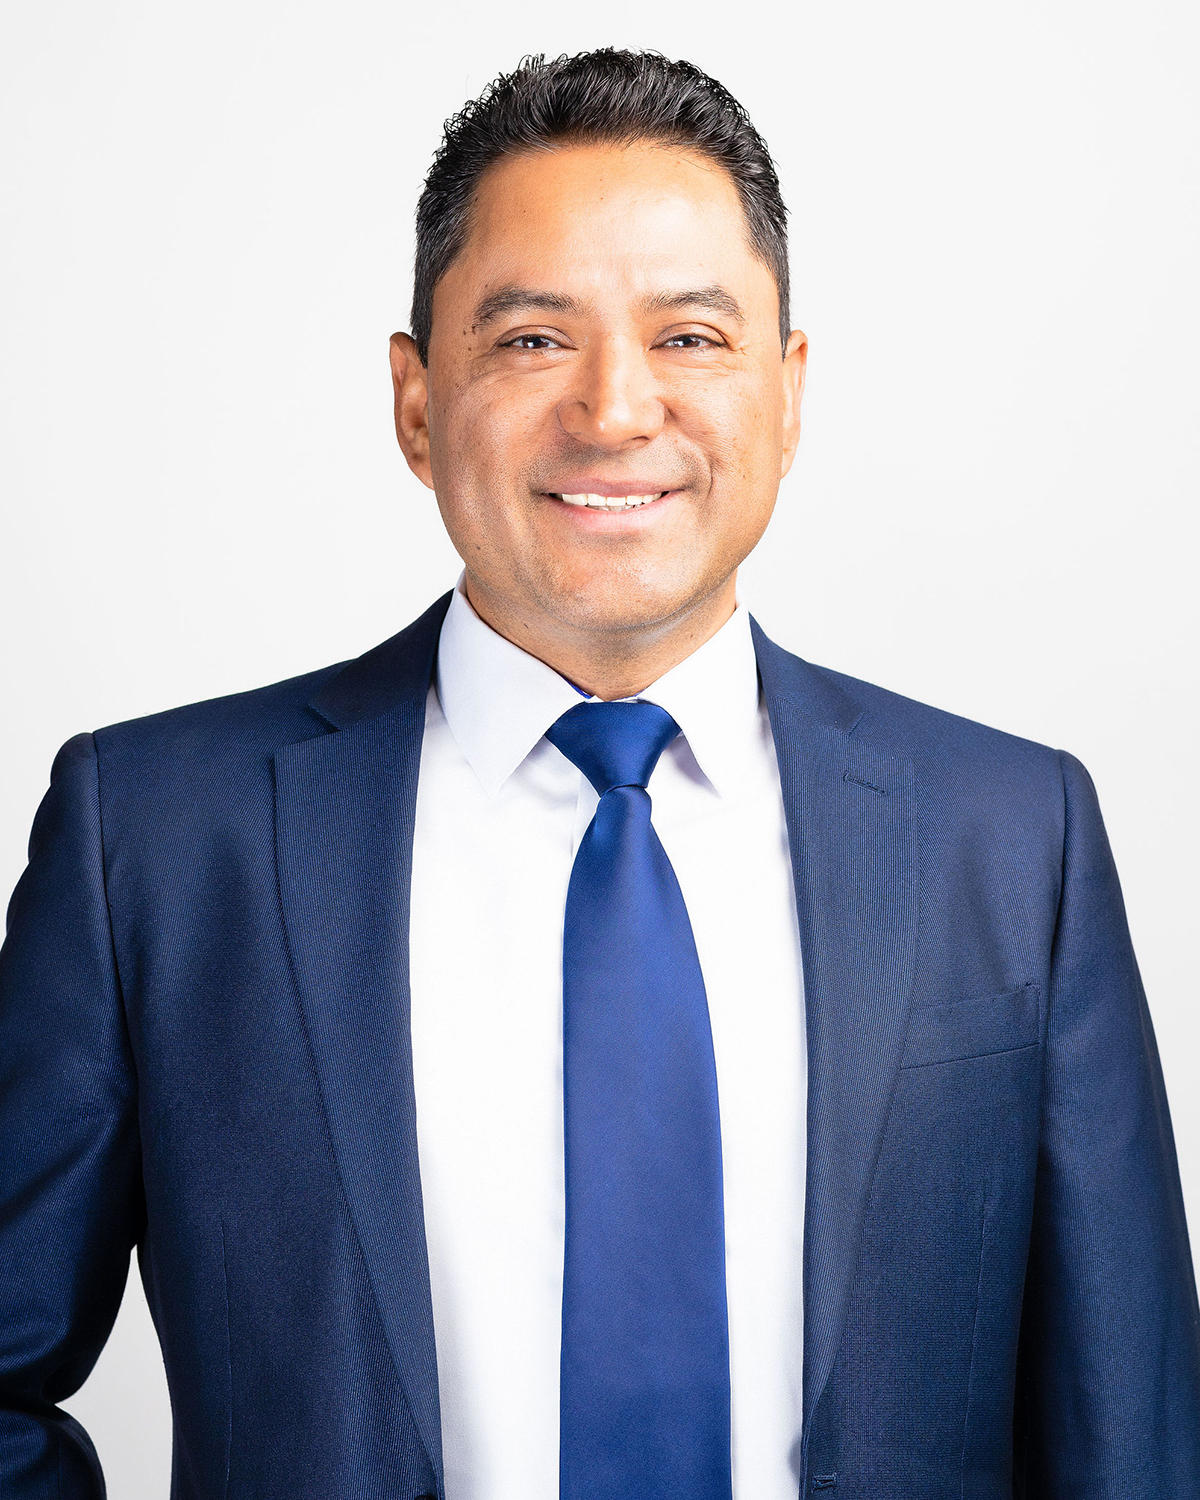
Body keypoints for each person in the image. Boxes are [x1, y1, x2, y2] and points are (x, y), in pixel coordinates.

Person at [1, 43, 1197, 1500]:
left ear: (788, 393)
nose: (616, 410)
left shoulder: (1011, 840)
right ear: (417, 402)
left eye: (690, 336)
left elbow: (1132, 1434)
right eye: (530, 340)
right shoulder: (158, 841)